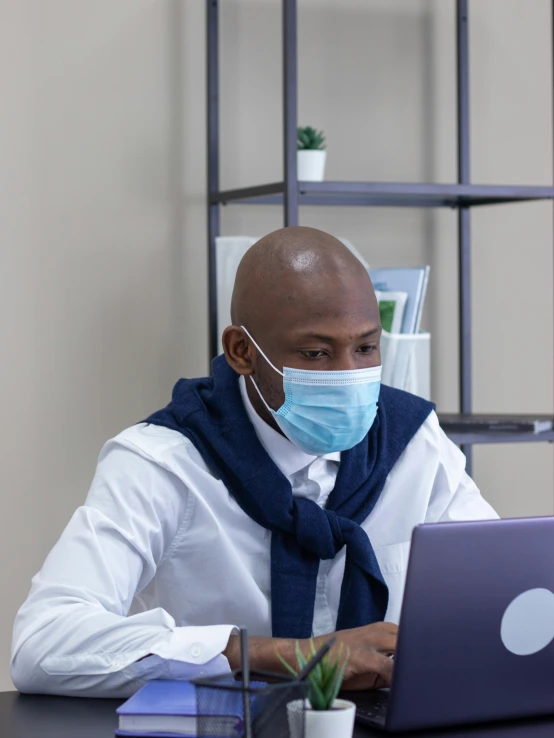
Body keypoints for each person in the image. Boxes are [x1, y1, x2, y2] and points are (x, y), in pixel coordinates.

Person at [11, 226, 497, 698]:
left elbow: (498, 591)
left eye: (366, 347)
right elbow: (44, 644)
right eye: (316, 353)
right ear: (242, 351)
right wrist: (280, 654)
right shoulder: (163, 462)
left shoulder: (412, 441)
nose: (351, 375)